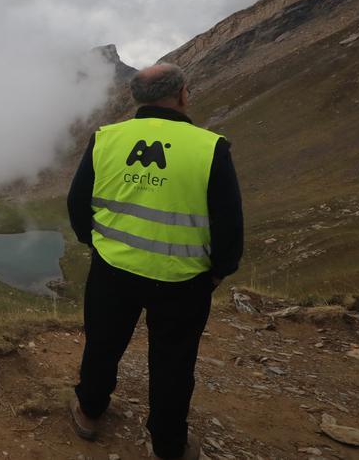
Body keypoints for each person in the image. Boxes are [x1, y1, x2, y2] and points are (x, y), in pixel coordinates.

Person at [66, 62, 243, 460]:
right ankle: (167, 444)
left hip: (112, 270)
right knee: (174, 362)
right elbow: (229, 222)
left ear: (134, 99)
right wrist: (218, 271)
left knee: (102, 344)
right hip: (184, 281)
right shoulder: (210, 147)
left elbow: (78, 202)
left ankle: (90, 411)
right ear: (182, 94)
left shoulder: (106, 138)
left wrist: (95, 244)